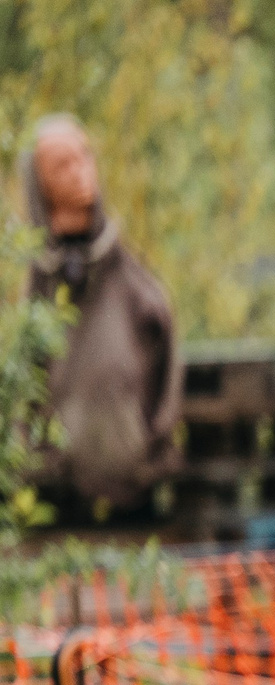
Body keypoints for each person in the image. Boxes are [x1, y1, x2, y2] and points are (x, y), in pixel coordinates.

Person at [18, 115, 181, 520]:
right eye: (63, 165)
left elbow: (167, 390)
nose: (81, 173)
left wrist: (149, 460)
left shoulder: (139, 295)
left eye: (85, 157)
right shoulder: (28, 307)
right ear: (39, 185)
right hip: (47, 512)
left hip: (130, 504)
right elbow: (20, 400)